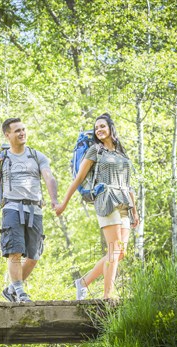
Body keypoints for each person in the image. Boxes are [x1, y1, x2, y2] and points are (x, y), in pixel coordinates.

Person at [55, 113, 139, 300]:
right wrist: (63, 204)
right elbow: (78, 179)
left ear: (110, 128)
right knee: (114, 249)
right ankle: (107, 296)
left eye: (102, 126)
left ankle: (83, 282)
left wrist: (135, 210)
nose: (99, 130)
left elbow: (128, 182)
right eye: (96, 128)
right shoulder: (95, 150)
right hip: (106, 199)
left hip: (125, 201)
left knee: (121, 253)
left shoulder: (120, 150)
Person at [0, 118, 59, 303]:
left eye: (23, 129)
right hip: (11, 208)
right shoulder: (0, 161)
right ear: (7, 135)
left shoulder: (37, 156)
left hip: (35, 209)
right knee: (15, 251)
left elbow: (49, 178)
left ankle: (11, 289)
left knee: (34, 255)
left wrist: (54, 200)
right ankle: (20, 292)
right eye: (17, 130)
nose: (22, 133)